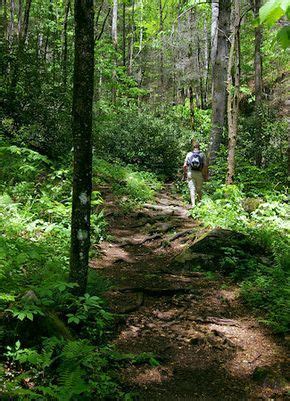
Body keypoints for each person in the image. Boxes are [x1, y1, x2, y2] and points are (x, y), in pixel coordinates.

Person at [183, 141, 208, 207]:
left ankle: (193, 205)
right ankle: (199, 203)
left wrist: (185, 174)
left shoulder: (189, 154)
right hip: (199, 173)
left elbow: (185, 166)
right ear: (199, 147)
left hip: (190, 173)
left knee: (192, 189)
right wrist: (205, 174)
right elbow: (205, 166)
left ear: (193, 147)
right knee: (199, 189)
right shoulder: (202, 154)